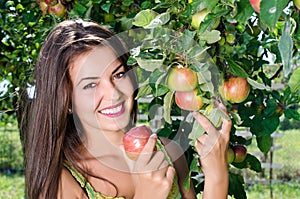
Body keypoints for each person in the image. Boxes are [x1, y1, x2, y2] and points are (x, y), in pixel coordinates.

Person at [22, 19, 231, 199]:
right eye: (90, 85)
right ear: (66, 101)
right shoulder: (63, 184)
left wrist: (216, 176)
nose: (113, 93)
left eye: (118, 74)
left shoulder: (168, 153)